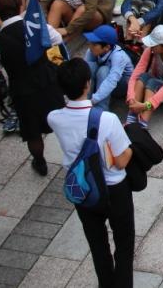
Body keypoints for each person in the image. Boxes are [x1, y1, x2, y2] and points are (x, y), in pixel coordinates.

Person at [48, 59, 134, 287]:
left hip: (82, 188)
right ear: (88, 84)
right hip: (114, 188)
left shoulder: (54, 118)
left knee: (97, 245)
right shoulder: (107, 119)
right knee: (124, 243)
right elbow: (122, 160)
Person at [0, 0, 65, 175]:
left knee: (32, 133)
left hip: (22, 91)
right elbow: (57, 38)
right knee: (62, 122)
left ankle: (40, 163)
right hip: (47, 81)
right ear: (20, 5)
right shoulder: (35, 25)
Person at [82, 24, 134, 111]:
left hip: (121, 86)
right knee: (89, 66)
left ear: (107, 47)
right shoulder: (91, 51)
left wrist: (93, 100)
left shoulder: (118, 56)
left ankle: (101, 109)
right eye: (90, 42)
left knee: (103, 70)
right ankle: (85, 104)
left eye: (94, 44)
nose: (90, 46)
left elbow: (111, 81)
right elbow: (84, 72)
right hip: (104, 81)